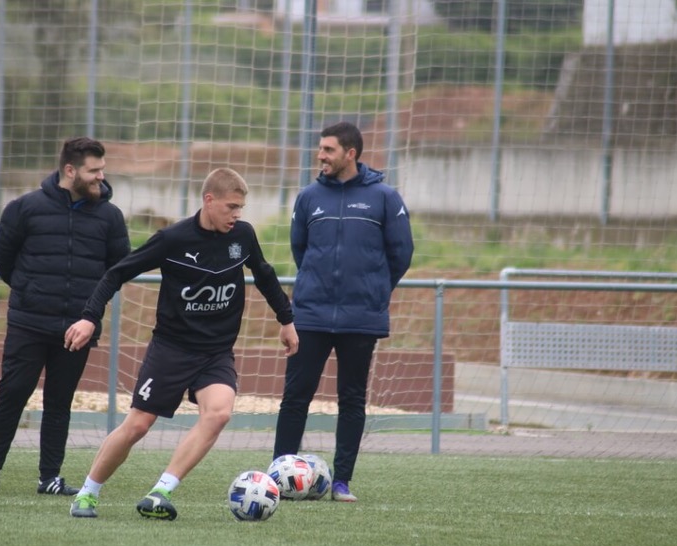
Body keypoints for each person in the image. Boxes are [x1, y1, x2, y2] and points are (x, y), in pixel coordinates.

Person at [63, 167, 298, 520]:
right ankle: (87, 493)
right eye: (231, 206)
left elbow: (263, 274)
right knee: (139, 425)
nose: (237, 215)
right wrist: (88, 315)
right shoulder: (173, 240)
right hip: (172, 348)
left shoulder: (242, 237)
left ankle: (161, 492)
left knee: (219, 413)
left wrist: (287, 319)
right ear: (209, 200)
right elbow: (117, 273)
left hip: (216, 351)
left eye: (240, 208)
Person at [0, 137, 131, 495]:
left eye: (103, 169)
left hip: (78, 328)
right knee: (12, 394)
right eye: (94, 170)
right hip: (28, 323)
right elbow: (2, 259)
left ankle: (49, 478)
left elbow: (118, 269)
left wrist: (91, 314)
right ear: (70, 170)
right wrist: (30, 292)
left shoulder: (110, 217)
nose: (102, 176)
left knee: (59, 402)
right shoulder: (25, 208)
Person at [272, 121, 414, 502]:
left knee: (351, 398)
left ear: (351, 154)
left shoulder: (385, 198)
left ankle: (341, 482)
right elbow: (300, 251)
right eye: (320, 149)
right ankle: (279, 475)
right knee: (295, 396)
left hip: (360, 317)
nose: (321, 156)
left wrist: (375, 290)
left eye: (329, 150)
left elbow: (402, 254)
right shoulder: (307, 198)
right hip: (312, 315)